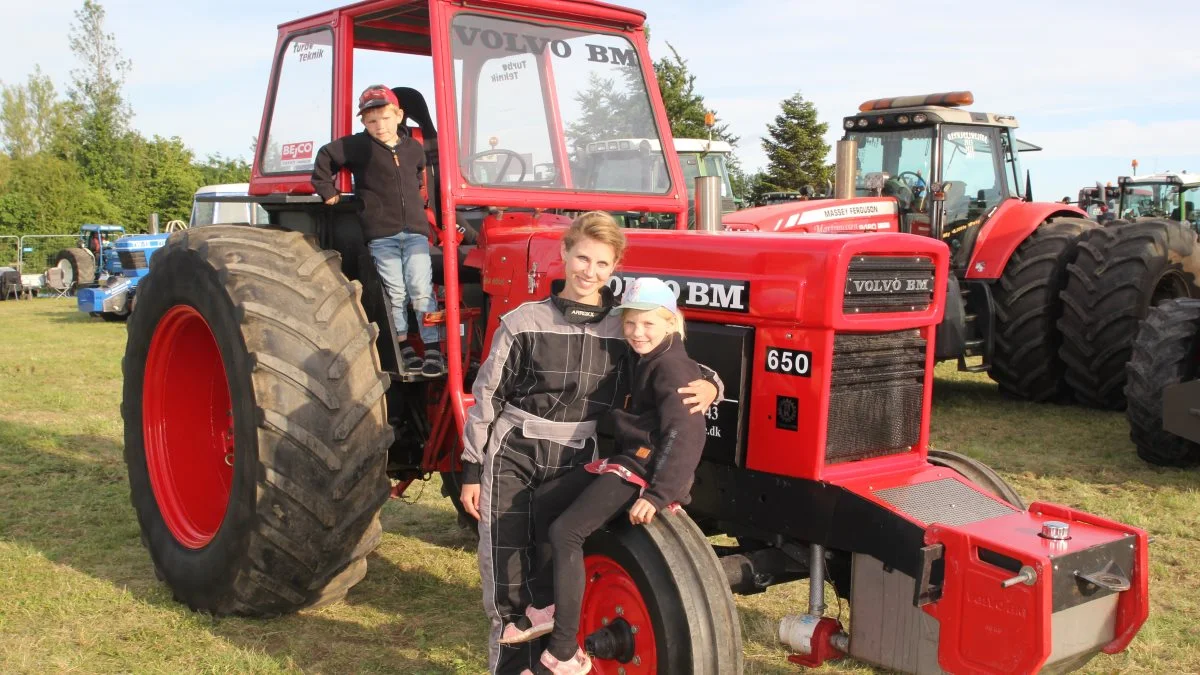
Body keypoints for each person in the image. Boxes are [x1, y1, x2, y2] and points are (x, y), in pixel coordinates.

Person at [459, 212, 721, 675]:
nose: (589, 272)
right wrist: (471, 470)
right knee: (508, 573)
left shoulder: (622, 328)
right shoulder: (524, 322)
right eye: (582, 258)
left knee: (560, 553)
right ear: (563, 254)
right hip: (515, 453)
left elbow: (673, 363)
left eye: (602, 264)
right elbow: (487, 398)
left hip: (581, 453)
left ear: (614, 267)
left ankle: (552, 661)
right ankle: (509, 666)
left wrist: (713, 386)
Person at [505, 277, 707, 675]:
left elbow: (687, 434)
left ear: (670, 322)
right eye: (630, 323)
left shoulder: (672, 366)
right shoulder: (648, 354)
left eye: (648, 323)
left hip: (646, 470)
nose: (637, 332)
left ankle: (564, 653)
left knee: (567, 532)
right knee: (546, 501)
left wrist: (659, 494)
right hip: (629, 457)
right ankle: (550, 604)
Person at [311, 84, 443, 376]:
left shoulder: (413, 149)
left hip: (416, 233)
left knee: (422, 290)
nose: (379, 126)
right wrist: (325, 188)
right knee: (396, 293)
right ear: (363, 123)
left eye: (384, 118)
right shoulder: (358, 146)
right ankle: (403, 347)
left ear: (398, 115)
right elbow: (325, 156)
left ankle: (433, 350)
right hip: (382, 235)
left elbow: (421, 175)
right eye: (371, 121)